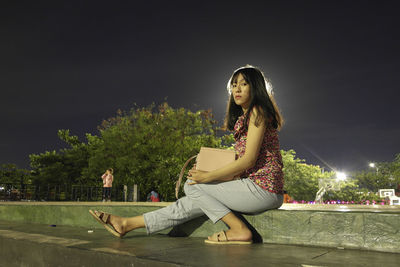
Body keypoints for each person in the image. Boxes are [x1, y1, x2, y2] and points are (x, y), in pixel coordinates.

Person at [90, 65, 284, 244]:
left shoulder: (257, 111)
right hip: (254, 187)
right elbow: (247, 162)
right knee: (191, 200)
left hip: (263, 190)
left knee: (192, 187)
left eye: (244, 84)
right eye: (234, 85)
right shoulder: (246, 117)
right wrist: (207, 172)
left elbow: (248, 160)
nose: (237, 90)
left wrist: (207, 177)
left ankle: (239, 229)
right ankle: (126, 225)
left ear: (256, 87)